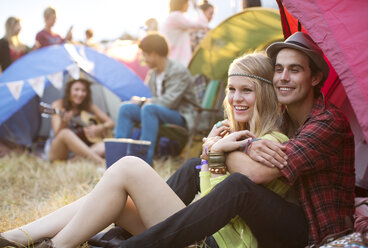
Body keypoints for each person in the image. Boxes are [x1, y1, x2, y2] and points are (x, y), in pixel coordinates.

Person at [0, 52, 285, 248]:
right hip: (202, 231)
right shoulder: (233, 133)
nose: (236, 98)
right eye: (232, 89)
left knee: (129, 167)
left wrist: (214, 153)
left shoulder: (271, 141)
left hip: (215, 242)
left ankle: (57, 245)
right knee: (115, 198)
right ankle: (16, 236)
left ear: (266, 94)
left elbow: (225, 203)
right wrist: (213, 155)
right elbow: (212, 194)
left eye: (246, 90)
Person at [115, 32, 355, 248]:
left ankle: (138, 245)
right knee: (193, 167)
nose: (283, 77)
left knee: (239, 186)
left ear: (315, 78)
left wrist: (219, 149)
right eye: (278, 69)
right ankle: (121, 236)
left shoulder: (327, 123)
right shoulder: (284, 116)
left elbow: (257, 174)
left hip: (310, 231)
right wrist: (228, 142)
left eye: (294, 70)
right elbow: (237, 146)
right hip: (274, 215)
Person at [114, 33, 197, 165]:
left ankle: (143, 161)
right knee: (126, 108)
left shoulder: (178, 71)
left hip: (180, 116)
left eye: (145, 54)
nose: (143, 59)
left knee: (149, 109)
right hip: (156, 113)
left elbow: (170, 101)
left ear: (153, 54)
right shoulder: (153, 74)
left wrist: (142, 102)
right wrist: (139, 101)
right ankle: (117, 159)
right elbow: (150, 99)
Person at [43, 78, 114, 165]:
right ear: (69, 91)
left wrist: (99, 128)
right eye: (76, 89)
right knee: (65, 133)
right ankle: (102, 163)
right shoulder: (58, 105)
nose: (80, 94)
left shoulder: (88, 105)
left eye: (83, 90)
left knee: (103, 146)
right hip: (58, 150)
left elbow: (111, 123)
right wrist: (64, 122)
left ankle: (71, 163)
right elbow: (58, 135)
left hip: (76, 151)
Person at [159, 0, 209, 66]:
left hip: (174, 61)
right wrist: (196, 7)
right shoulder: (176, 16)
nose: (188, 5)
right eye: (187, 3)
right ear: (182, 4)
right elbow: (202, 24)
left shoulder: (170, 18)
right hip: (180, 62)